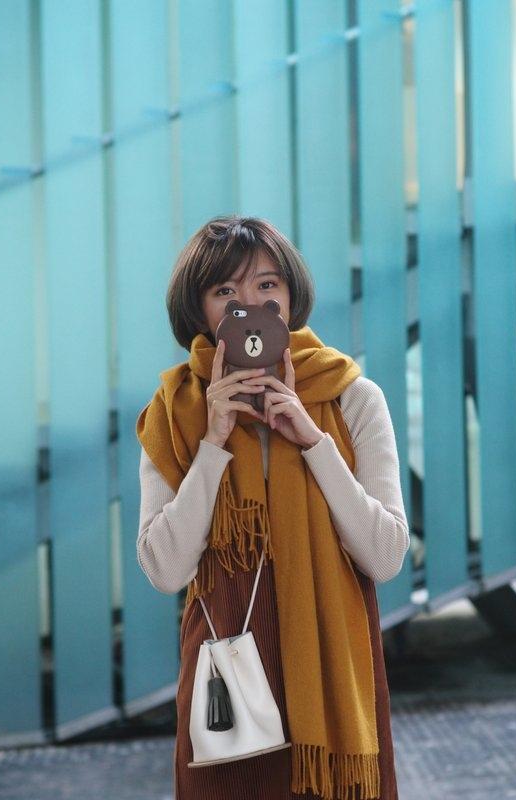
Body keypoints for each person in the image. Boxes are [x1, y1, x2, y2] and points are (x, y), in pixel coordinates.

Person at [135, 215, 409, 799]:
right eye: (225, 291)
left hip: (330, 664)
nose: (250, 304)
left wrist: (312, 441)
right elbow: (165, 570)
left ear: (289, 296)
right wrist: (213, 443)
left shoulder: (351, 397)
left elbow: (385, 557)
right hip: (225, 668)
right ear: (200, 310)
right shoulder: (174, 412)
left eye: (266, 285)